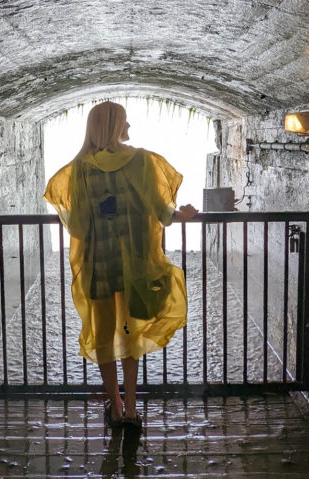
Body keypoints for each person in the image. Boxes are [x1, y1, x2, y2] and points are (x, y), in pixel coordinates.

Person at [44, 101, 197, 430]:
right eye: (124, 123)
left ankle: (113, 407)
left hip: (99, 264)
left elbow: (79, 226)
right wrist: (179, 214)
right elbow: (161, 208)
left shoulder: (82, 168)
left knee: (103, 337)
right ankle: (130, 409)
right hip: (138, 264)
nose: (129, 129)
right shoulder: (142, 161)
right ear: (114, 127)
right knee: (131, 334)